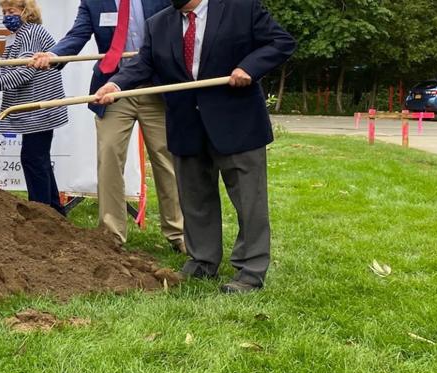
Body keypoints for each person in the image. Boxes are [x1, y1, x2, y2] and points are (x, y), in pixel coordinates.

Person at [96, 0, 294, 293]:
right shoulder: (159, 24)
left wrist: (248, 68)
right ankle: (202, 261)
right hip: (186, 124)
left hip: (236, 123)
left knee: (248, 201)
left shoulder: (242, 8)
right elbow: (145, 63)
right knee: (195, 198)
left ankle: (250, 270)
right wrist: (116, 84)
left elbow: (280, 42)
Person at [30, 0, 185, 253]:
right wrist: (55, 55)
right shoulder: (93, 1)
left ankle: (178, 232)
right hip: (111, 90)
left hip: (156, 87)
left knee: (166, 159)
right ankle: (111, 235)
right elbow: (77, 35)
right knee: (109, 157)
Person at [0, 0, 67, 215]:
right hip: (36, 107)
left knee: (33, 158)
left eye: (10, 11)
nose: (6, 16)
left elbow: (23, 72)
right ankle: (55, 213)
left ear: (25, 11)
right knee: (38, 158)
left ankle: (41, 214)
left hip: (39, 106)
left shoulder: (30, 32)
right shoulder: (18, 36)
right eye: (4, 12)